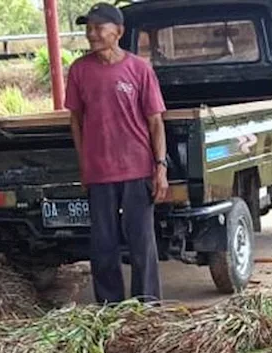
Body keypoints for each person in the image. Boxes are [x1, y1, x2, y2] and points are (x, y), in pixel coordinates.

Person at [65, 2, 169, 304]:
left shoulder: (139, 69)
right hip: (99, 173)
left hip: (138, 170)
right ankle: (109, 309)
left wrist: (159, 166)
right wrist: (84, 164)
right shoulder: (80, 70)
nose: (92, 35)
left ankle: (147, 308)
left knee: (142, 245)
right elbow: (76, 121)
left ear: (118, 32)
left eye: (98, 28)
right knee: (103, 246)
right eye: (88, 29)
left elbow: (155, 122)